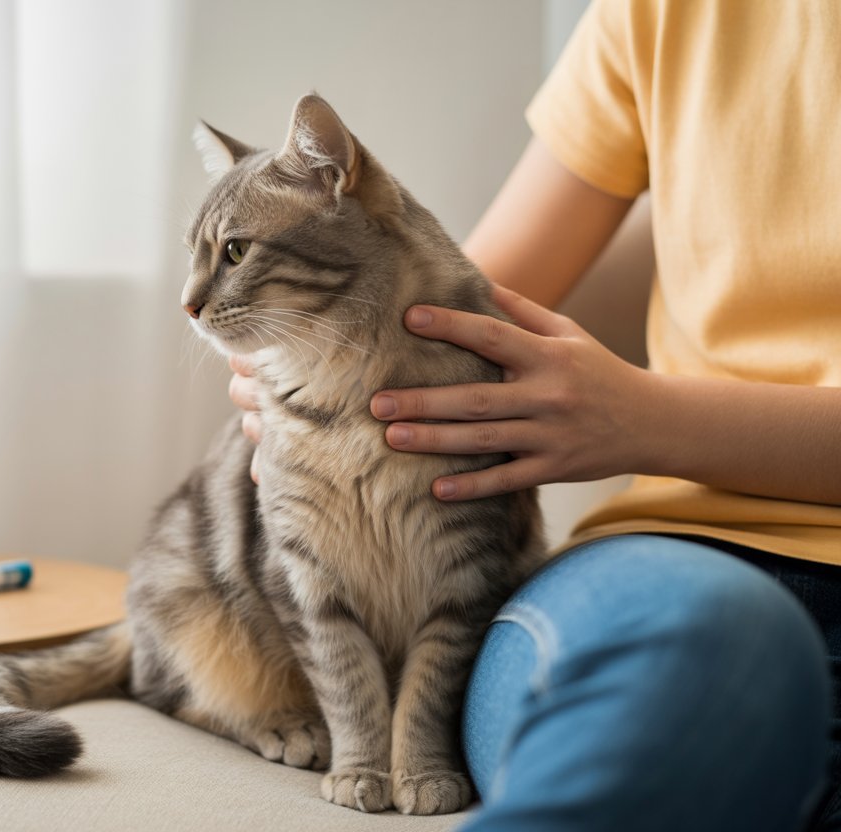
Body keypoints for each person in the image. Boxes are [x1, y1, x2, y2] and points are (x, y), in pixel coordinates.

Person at [228, 1, 841, 829]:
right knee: (723, 648)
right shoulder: (661, 11)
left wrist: (648, 419)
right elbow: (451, 312)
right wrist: (316, 360)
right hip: (690, 574)